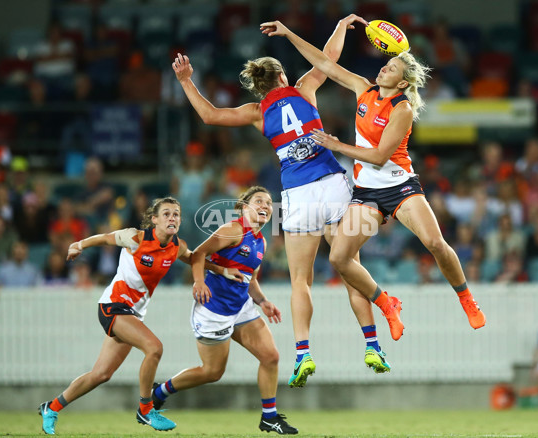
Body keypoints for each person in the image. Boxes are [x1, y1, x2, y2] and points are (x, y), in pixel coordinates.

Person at [172, 14, 391, 389]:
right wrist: (341, 26)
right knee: (348, 264)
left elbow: (209, 116)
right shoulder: (304, 88)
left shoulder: (257, 113)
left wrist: (186, 81)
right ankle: (372, 345)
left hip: (299, 195)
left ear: (259, 86)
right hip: (332, 182)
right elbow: (328, 58)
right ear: (283, 78)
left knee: (300, 281)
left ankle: (303, 352)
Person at [261, 19, 486, 336]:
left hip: (400, 187)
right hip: (366, 193)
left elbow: (380, 156)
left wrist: (337, 145)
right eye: (386, 64)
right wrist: (288, 34)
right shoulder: (362, 87)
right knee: (339, 258)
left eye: (392, 69)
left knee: (435, 242)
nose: (383, 69)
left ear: (403, 83)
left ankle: (466, 299)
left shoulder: (402, 108)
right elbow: (324, 62)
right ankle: (387, 305)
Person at [37, 197, 242, 434]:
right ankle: (145, 409)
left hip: (132, 314)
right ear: (154, 219)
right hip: (112, 306)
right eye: (166, 214)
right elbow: (104, 238)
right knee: (154, 348)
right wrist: (79, 244)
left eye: (176, 214)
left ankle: (50, 408)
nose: (172, 218)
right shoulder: (136, 237)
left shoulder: (177, 246)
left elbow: (195, 258)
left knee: (101, 374)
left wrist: (222, 269)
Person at [151, 186, 298, 435]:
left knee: (270, 357)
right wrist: (198, 281)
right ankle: (159, 392)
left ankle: (269, 417)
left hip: (241, 307)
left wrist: (262, 301)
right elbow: (198, 254)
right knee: (212, 372)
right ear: (243, 207)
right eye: (258, 201)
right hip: (214, 311)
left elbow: (250, 279)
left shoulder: (260, 241)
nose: (265, 206)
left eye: (269, 203)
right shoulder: (233, 230)